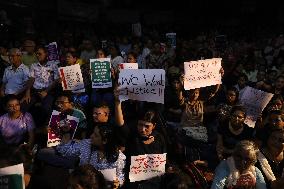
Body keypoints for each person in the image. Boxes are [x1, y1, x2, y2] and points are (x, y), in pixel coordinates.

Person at [114, 89, 167, 188]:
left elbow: (163, 161)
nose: (142, 129)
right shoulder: (132, 136)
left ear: (154, 125)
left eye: (147, 126)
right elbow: (120, 125)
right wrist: (117, 103)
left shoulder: (159, 138)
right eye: (140, 125)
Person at [56, 123, 125, 187]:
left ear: (105, 141)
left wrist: (118, 183)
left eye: (96, 135)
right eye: (93, 133)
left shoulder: (119, 158)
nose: (91, 136)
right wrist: (67, 132)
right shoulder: (86, 144)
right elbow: (64, 150)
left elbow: (121, 177)